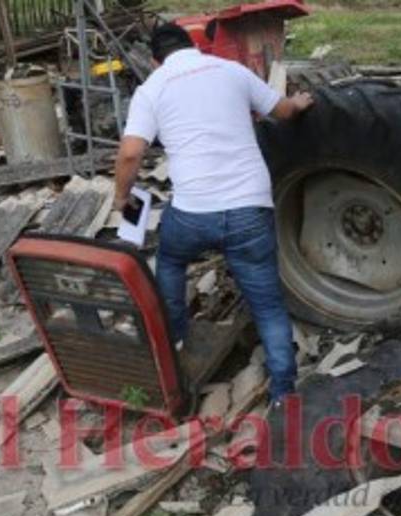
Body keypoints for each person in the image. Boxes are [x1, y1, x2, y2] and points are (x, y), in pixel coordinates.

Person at [113, 22, 313, 403]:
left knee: (170, 261)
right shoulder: (232, 71)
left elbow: (130, 153)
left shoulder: (152, 88)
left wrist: (122, 198)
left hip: (193, 214)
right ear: (193, 45)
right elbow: (283, 110)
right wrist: (299, 103)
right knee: (268, 304)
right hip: (249, 210)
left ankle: (175, 335)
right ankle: (283, 392)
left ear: (155, 60)